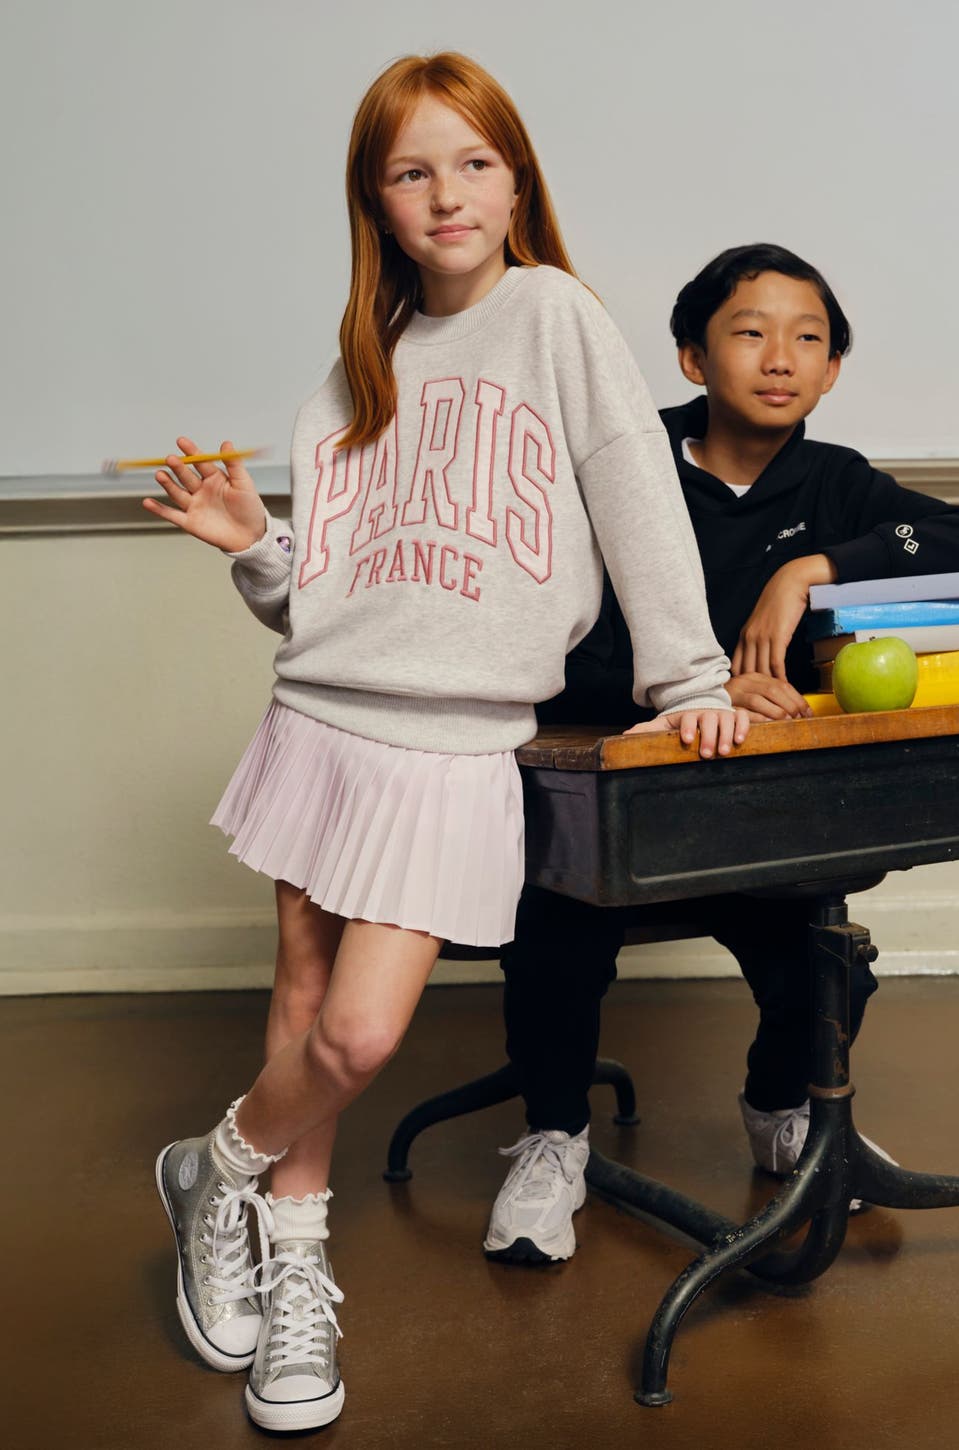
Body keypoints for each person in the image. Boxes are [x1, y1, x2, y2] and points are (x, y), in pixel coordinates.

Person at [146, 53, 746, 1434]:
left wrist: (689, 675)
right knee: (302, 1010)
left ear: (516, 177)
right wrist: (258, 547)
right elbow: (335, 598)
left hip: (456, 746)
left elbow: (634, 493)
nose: (446, 193)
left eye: (472, 162)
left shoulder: (555, 318)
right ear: (376, 198)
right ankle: (297, 1286)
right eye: (412, 170)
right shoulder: (358, 366)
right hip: (322, 716)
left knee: (358, 1033)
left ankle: (211, 1168)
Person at [484, 242, 959, 1264]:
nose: (779, 357)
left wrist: (817, 568)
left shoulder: (835, 483)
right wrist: (700, 688)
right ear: (690, 357)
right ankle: (552, 1138)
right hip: (611, 804)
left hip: (757, 818)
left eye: (806, 338)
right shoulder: (619, 459)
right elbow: (551, 647)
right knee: (552, 939)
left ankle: (779, 1110)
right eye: (748, 331)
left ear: (829, 372)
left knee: (825, 965)